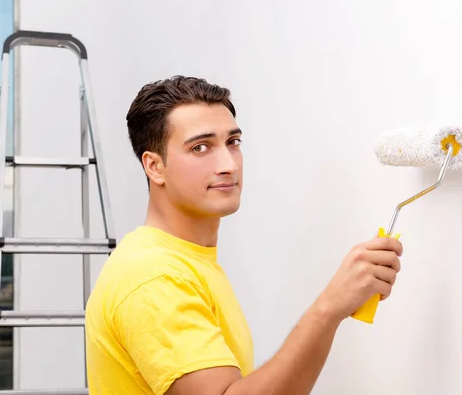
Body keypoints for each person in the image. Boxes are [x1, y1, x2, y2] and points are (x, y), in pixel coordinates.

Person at [84, 75, 403, 395]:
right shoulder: (155, 277)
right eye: (200, 147)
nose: (227, 164)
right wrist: (328, 309)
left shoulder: (183, 260)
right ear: (154, 167)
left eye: (232, 142)